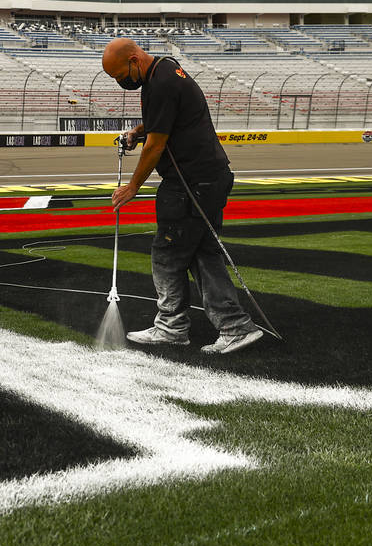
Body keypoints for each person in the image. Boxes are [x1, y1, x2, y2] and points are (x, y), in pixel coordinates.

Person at [101, 37, 265, 355]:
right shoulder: (165, 70)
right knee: (202, 254)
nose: (120, 82)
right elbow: (162, 121)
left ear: (134, 60)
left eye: (120, 75)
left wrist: (133, 186)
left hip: (191, 183)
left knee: (168, 254)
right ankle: (235, 326)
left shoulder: (160, 83)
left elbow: (157, 144)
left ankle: (172, 328)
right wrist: (137, 131)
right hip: (207, 178)